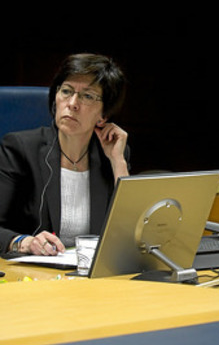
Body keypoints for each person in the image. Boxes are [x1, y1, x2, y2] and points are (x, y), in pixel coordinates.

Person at [0, 53, 130, 256]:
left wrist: (118, 162)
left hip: (88, 271)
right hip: (31, 270)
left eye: (87, 96)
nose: (72, 103)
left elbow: (131, 234)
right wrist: (24, 242)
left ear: (103, 115)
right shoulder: (20, 149)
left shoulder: (111, 156)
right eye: (67, 91)